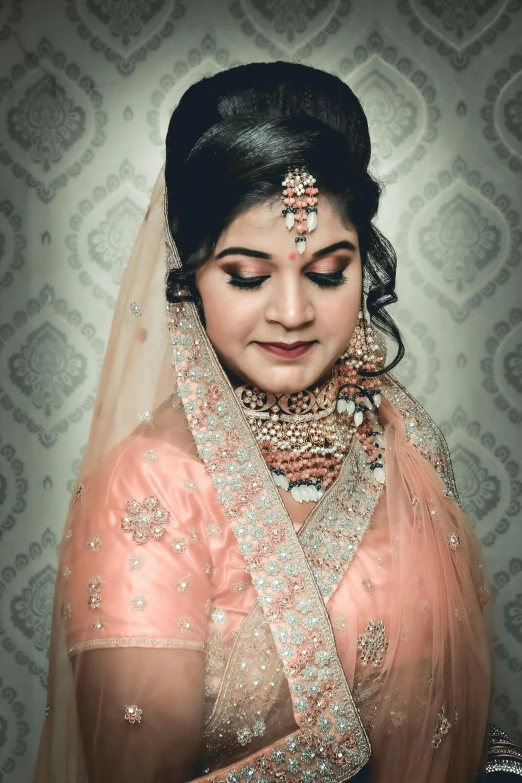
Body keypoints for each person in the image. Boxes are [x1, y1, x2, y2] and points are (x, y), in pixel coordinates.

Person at [33, 62, 522, 782]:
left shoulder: (401, 433)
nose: (292, 313)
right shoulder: (153, 482)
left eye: (327, 272)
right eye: (247, 275)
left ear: (364, 266)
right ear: (189, 274)